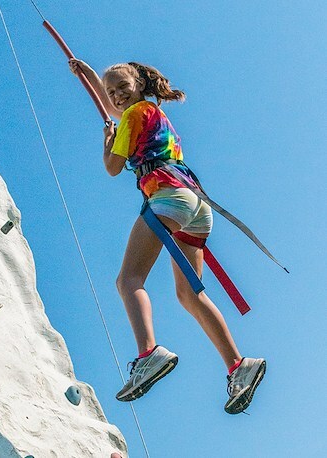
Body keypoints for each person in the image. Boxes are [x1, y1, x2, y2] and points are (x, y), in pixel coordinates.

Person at [69, 58, 266, 414]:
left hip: (169, 199)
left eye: (121, 89)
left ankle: (149, 353)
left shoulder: (131, 116)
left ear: (139, 87)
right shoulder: (150, 112)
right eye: (109, 92)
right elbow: (116, 99)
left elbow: (113, 168)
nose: (114, 97)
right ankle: (239, 365)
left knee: (129, 280)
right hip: (196, 205)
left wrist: (108, 142)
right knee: (190, 296)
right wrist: (88, 74)